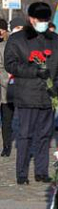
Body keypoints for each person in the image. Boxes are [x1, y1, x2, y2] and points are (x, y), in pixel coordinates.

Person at [4, 2, 58, 184]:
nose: (43, 23)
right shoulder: (17, 39)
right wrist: (33, 70)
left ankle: (41, 171)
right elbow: (10, 64)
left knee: (45, 135)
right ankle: (22, 174)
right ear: (31, 19)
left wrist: (57, 85)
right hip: (27, 94)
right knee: (25, 135)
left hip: (48, 95)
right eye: (40, 20)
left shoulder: (55, 40)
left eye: (46, 20)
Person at [0, 19, 13, 156]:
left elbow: (6, 68)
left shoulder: (7, 46)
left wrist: (5, 81)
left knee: (7, 121)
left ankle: (7, 146)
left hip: (5, 90)